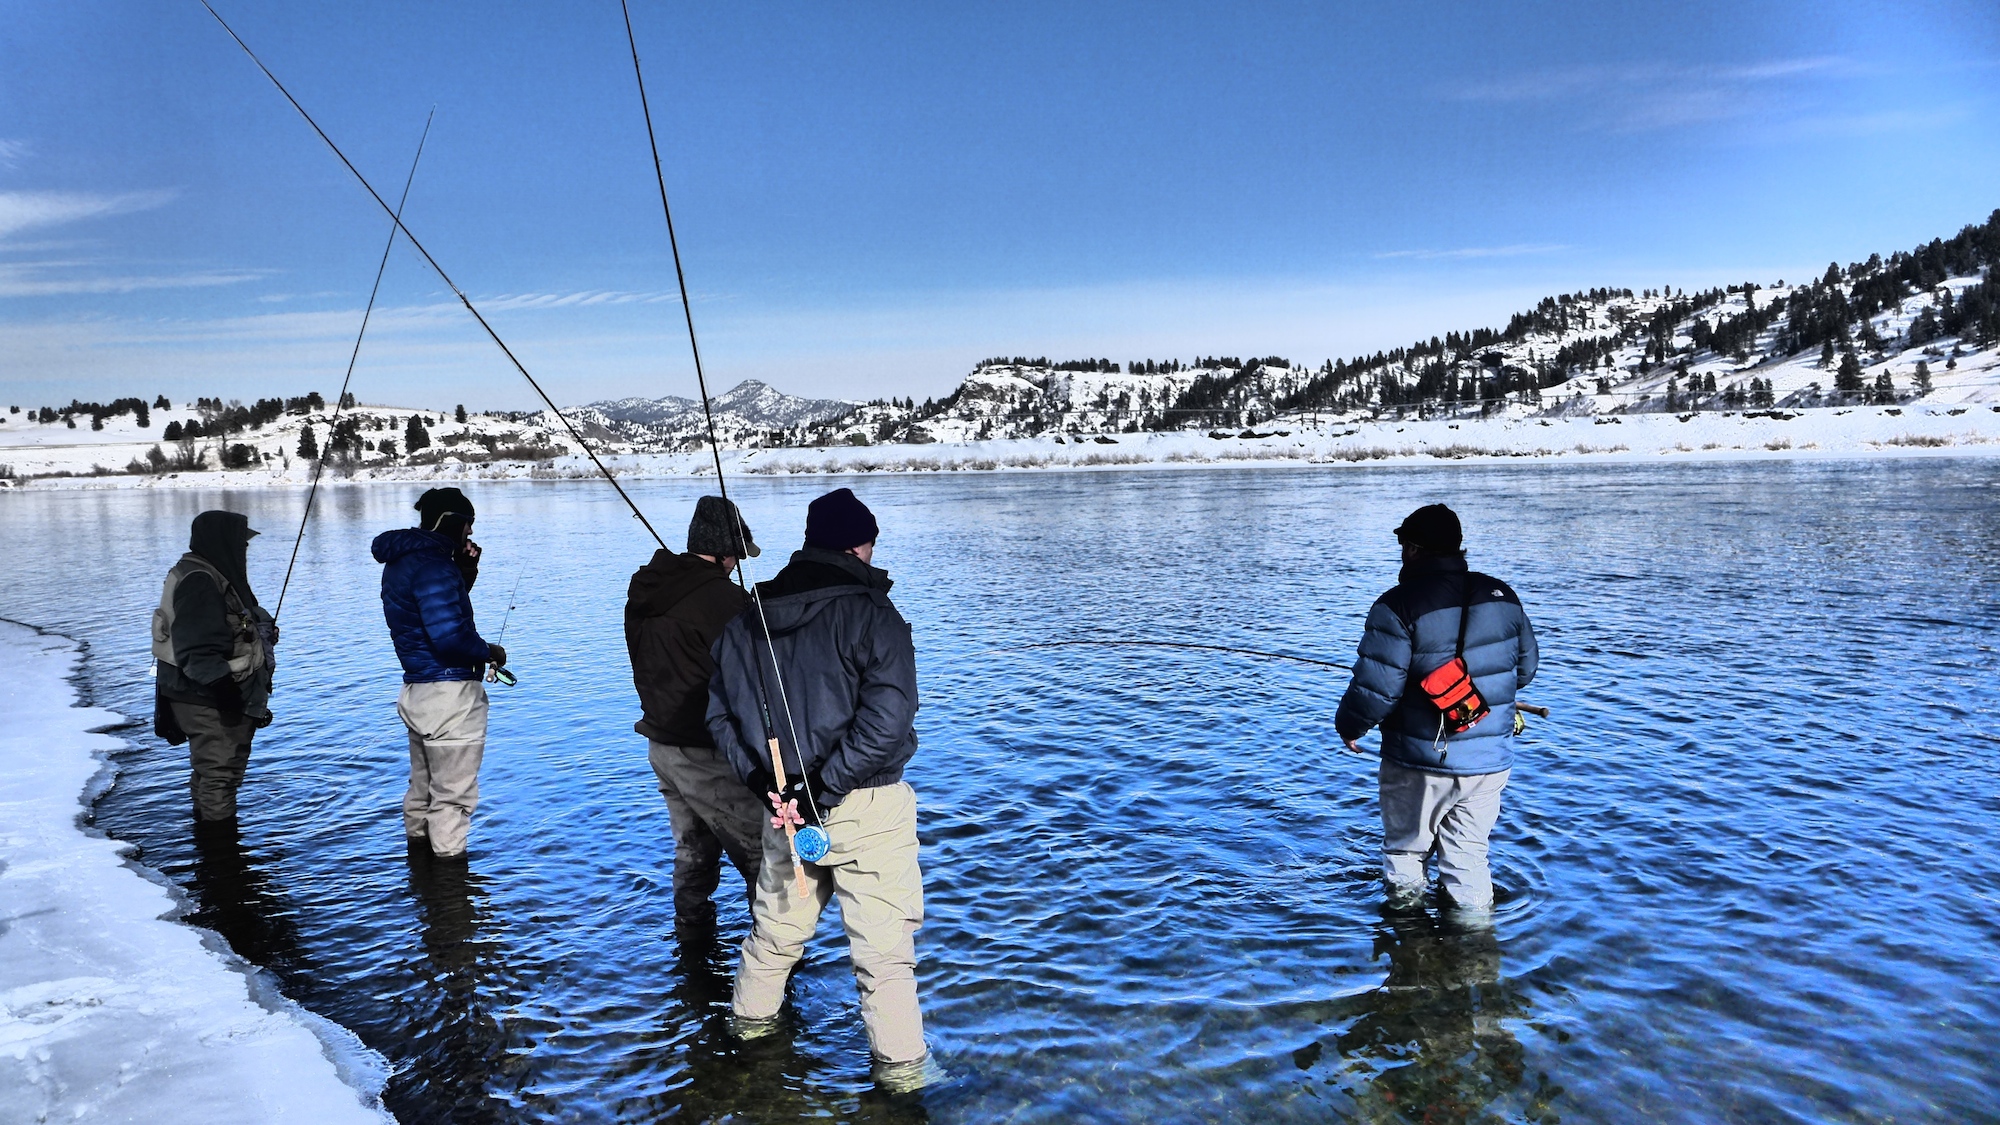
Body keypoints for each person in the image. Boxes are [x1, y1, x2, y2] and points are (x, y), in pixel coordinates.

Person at [707, 487, 931, 1086]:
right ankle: (904, 1084)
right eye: (870, 545)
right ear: (858, 547)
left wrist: (764, 783)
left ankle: (748, 1045)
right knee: (883, 961)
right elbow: (889, 721)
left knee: (774, 939)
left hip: (784, 811)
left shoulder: (743, 619)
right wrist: (823, 787)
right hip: (866, 806)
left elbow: (718, 718)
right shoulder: (874, 615)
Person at [1335, 504, 1538, 913]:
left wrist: (1350, 726)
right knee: (1468, 859)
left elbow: (1378, 689)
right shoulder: (1503, 595)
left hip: (1419, 761)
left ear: (1412, 549)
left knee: (1407, 853)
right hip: (1490, 761)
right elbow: (1525, 670)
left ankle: (1409, 946)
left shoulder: (1397, 605)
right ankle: (1477, 952)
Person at [625, 495, 770, 926]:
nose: (736, 565)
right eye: (736, 557)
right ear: (726, 552)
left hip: (661, 745)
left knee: (694, 851)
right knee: (760, 858)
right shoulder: (725, 603)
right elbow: (757, 672)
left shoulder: (646, 590)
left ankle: (692, 948)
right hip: (706, 752)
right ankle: (776, 962)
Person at [372, 487, 503, 859]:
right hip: (451, 698)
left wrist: (464, 571)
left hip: (417, 691)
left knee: (422, 791)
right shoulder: (434, 566)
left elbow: (433, 612)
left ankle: (421, 880)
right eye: (468, 525)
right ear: (452, 521)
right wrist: (490, 652)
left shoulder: (404, 562)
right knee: (452, 801)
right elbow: (449, 636)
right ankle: (450, 900)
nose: (470, 534)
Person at [152, 510, 278, 823]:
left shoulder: (210, 572)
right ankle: (221, 853)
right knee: (220, 776)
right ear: (223, 542)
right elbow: (196, 646)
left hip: (203, 694)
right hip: (207, 698)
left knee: (212, 774)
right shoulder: (201, 580)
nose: (244, 550)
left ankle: (211, 850)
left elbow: (233, 620)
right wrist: (224, 690)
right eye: (241, 543)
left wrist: (260, 630)